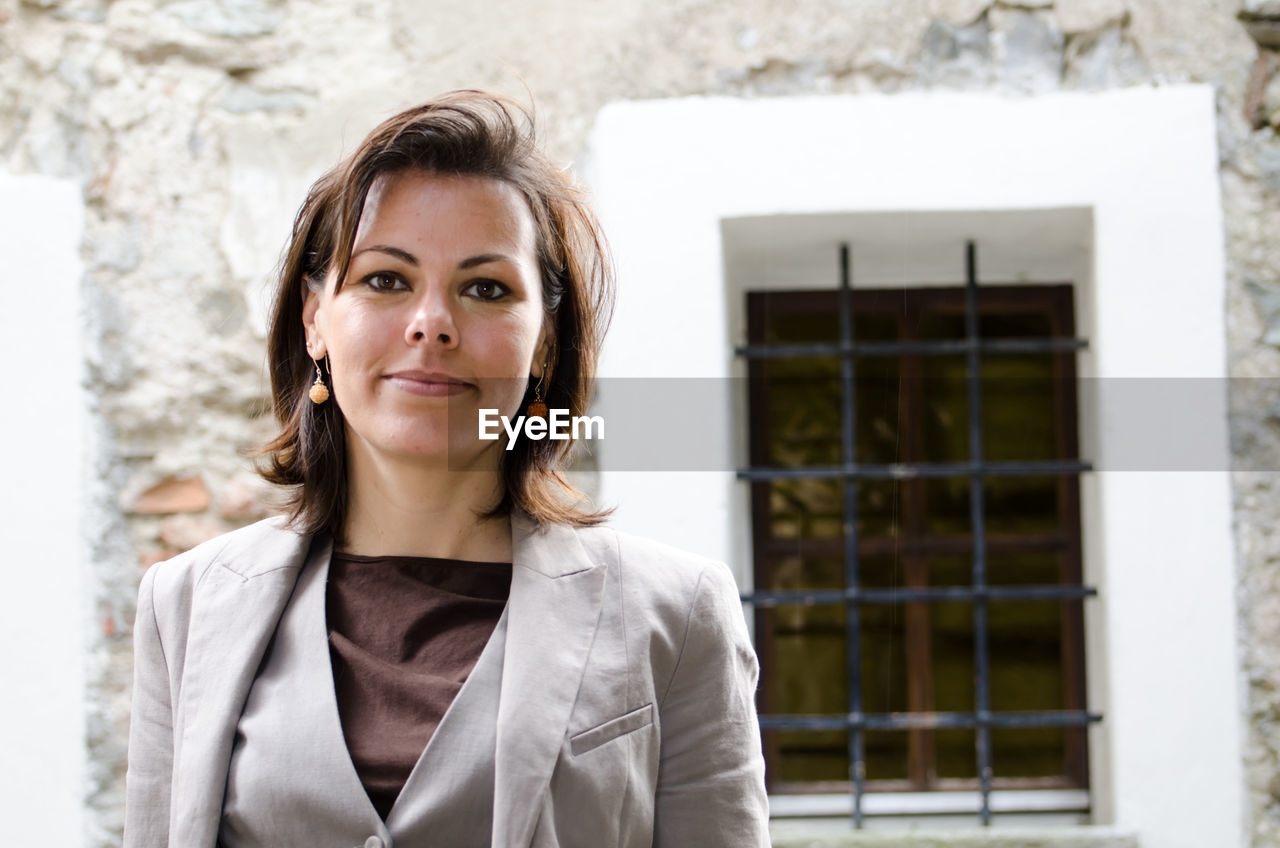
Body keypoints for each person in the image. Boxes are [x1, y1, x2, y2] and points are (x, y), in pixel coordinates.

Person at [123, 90, 769, 848]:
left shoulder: (678, 614)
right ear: (313, 318)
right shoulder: (186, 604)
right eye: (385, 280)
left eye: (486, 288)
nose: (431, 321)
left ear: (546, 343)